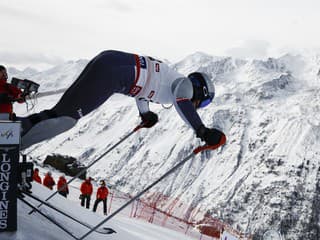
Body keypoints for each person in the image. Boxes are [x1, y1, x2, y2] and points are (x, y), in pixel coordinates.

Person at [18, 50, 226, 150]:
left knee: (60, 112)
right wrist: (202, 130)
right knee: (67, 119)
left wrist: (145, 114)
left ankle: (11, 131)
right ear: (201, 91)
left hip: (110, 63)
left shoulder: (170, 78)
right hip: (114, 76)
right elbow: (183, 104)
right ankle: (11, 146)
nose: (197, 105)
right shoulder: (185, 86)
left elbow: (144, 89)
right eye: (202, 102)